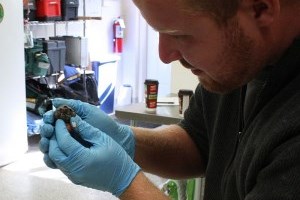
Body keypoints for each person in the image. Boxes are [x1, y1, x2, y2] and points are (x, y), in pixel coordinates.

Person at [39, 0, 300, 199]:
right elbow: (199, 142)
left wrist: (126, 182)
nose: (164, 55)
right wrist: (125, 140)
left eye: (180, 34)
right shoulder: (236, 64)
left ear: (260, 8)